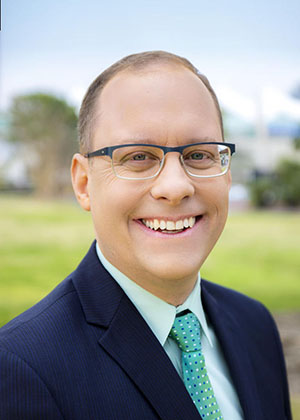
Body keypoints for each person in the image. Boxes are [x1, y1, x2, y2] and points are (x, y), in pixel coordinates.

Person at [0, 51, 291, 420]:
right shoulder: (21, 368)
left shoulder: (254, 325)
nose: (176, 186)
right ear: (84, 182)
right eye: (138, 156)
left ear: (227, 175)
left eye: (199, 154)